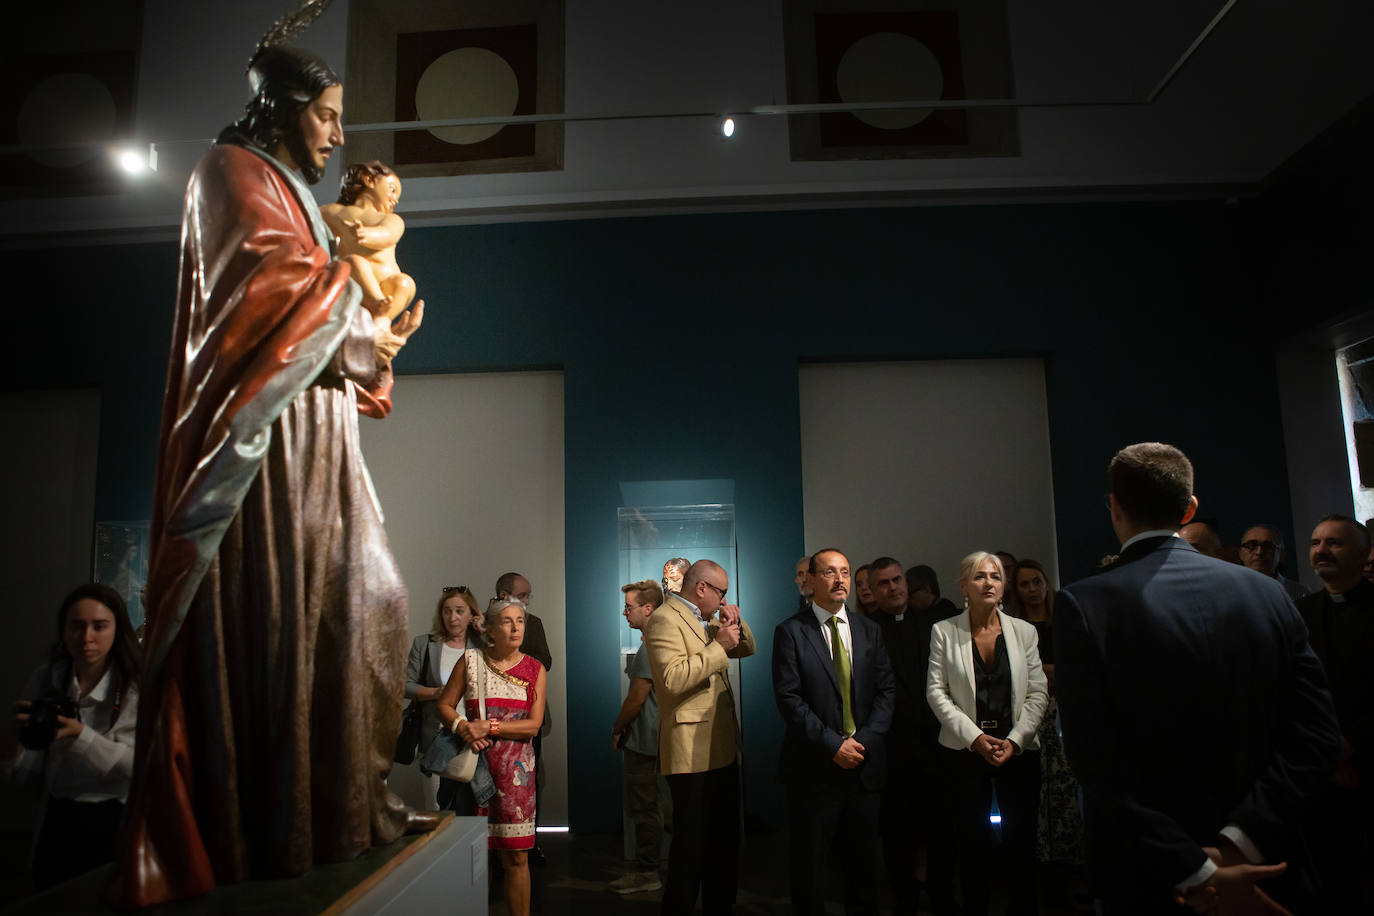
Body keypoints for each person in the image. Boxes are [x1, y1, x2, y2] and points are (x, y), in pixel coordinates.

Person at [108, 31, 432, 907]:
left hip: (316, 436)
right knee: (327, 614)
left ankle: (332, 804)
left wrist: (371, 334)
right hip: (266, 456)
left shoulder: (288, 190)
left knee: (373, 611)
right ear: (282, 108)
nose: (335, 136)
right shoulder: (229, 173)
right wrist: (359, 317)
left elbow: (315, 301)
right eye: (324, 116)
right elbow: (268, 293)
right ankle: (283, 815)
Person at [1056, 442, 1340, 915]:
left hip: (1148, 876)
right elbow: (1316, 735)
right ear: (1189, 508)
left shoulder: (1085, 605)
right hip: (1266, 864)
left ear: (1114, 507)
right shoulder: (1269, 594)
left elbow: (1094, 761)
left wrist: (1194, 867)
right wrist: (1238, 843)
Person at [773, 548, 894, 915]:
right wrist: (832, 745)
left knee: (864, 868)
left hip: (863, 765)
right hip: (814, 769)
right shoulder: (791, 632)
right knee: (810, 871)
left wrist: (863, 741)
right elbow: (789, 698)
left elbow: (887, 692)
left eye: (845, 571)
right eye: (829, 572)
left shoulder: (869, 629)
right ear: (809, 581)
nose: (840, 579)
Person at [927, 552, 1047, 916]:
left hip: (1018, 751)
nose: (990, 583)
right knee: (971, 842)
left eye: (995, 576)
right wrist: (975, 739)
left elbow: (1038, 692)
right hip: (964, 753)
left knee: (1021, 842)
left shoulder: (1024, 631)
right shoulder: (944, 631)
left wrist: (1015, 740)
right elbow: (936, 692)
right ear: (964, 585)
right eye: (980, 576)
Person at [5, 584, 141, 889]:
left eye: (99, 626)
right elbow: (25, 778)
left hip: (113, 818)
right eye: (76, 626)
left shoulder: (134, 685)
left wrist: (81, 735)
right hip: (57, 815)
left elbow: (141, 767)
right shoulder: (47, 678)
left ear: (117, 630)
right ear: (64, 631)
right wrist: (13, 742)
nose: (87, 638)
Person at [643, 558, 756, 916]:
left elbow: (747, 648)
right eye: (722, 592)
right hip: (690, 751)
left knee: (723, 842)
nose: (724, 600)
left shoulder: (704, 620)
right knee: (691, 846)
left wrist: (733, 623)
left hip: (720, 748)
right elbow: (672, 679)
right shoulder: (664, 619)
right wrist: (718, 647)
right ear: (702, 588)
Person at [436, 598, 547, 916]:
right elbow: (444, 705)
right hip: (475, 772)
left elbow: (533, 725)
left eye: (520, 621)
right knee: (474, 857)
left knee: (516, 857)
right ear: (491, 628)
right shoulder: (470, 662)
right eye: (508, 621)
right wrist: (462, 726)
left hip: (516, 779)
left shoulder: (534, 669)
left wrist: (489, 726)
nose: (515, 628)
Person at [1295, 514, 1374, 908]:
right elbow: (1294, 689)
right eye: (1314, 542)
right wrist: (1329, 749)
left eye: (1334, 543)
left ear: (1364, 555)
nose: (1321, 550)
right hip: (1319, 771)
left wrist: (1352, 744)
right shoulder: (1301, 613)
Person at [1012, 560, 1084, 872]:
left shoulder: (1064, 621)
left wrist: (1044, 671)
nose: (1032, 590)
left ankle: (1074, 866)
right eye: (1024, 584)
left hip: (1067, 713)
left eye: (1036, 582)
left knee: (1069, 789)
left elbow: (1077, 667)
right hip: (1029, 715)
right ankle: (1044, 867)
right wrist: (1047, 672)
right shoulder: (1014, 628)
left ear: (1046, 583)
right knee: (1037, 792)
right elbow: (1018, 674)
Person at [607, 579, 665, 895]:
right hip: (658, 738)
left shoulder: (650, 646)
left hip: (644, 740)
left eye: (629, 607)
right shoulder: (662, 641)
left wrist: (617, 728)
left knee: (644, 808)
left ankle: (648, 872)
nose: (624, 613)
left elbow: (636, 698)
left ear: (648, 608)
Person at [405, 586, 484, 812]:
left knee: (470, 807)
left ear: (472, 615)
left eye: (460, 611)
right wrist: (435, 693)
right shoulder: (425, 644)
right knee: (436, 807)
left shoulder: (480, 647)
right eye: (447, 611)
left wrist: (484, 629)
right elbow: (405, 685)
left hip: (471, 737)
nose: (453, 617)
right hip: (434, 736)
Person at [321, 160, 415, 320]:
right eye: (392, 190)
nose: (395, 200)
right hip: (354, 284)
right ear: (369, 180)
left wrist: (367, 234)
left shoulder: (391, 219)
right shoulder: (332, 211)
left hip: (388, 285)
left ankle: (381, 321)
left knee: (406, 283)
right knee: (354, 262)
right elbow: (309, 219)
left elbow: (388, 234)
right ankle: (375, 303)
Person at [1238, 523, 1307, 601]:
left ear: (1281, 554)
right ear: (1240, 554)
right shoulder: (1230, 591)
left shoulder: (1300, 594)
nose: (1259, 552)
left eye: (1268, 546)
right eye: (1252, 545)